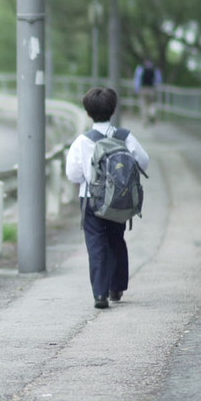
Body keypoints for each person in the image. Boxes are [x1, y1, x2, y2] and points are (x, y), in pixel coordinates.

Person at [65, 87, 151, 309]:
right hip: (119, 199)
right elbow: (143, 161)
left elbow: (73, 175)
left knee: (96, 245)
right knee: (116, 240)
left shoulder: (82, 141)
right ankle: (116, 288)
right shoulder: (125, 137)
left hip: (90, 199)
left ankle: (100, 294)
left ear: (88, 112)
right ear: (113, 110)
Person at [133, 59, 163, 124]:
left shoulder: (141, 69)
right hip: (152, 89)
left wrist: (137, 89)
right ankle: (152, 113)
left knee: (144, 106)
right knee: (152, 104)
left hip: (143, 89)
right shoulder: (155, 70)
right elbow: (159, 80)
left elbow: (137, 80)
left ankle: (145, 121)